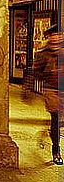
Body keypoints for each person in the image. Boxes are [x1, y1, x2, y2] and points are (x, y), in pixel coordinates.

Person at [33, 24, 63, 165]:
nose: (56, 37)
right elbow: (36, 72)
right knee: (56, 118)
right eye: (53, 35)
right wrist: (48, 74)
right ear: (49, 37)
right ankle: (56, 151)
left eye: (59, 35)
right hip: (51, 90)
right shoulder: (42, 54)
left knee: (58, 122)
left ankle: (51, 131)